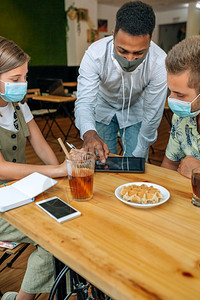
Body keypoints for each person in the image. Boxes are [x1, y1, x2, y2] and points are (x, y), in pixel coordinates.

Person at [0, 36, 68, 300]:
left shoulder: (18, 105)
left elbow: (41, 147)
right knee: (54, 237)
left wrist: (65, 171)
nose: (23, 85)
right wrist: (55, 172)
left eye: (25, 77)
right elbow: (2, 169)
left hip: (14, 194)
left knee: (63, 227)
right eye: (15, 79)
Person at [75, 1, 167, 163]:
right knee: (103, 162)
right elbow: (84, 102)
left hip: (136, 108)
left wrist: (141, 149)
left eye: (139, 52)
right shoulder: (94, 55)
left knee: (137, 163)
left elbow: (153, 111)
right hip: (102, 107)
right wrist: (89, 133)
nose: (130, 59)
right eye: (122, 50)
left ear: (150, 39)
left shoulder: (159, 62)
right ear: (113, 34)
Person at [161, 35, 200, 179]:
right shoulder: (181, 118)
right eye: (170, 91)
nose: (171, 99)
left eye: (180, 95)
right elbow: (169, 166)